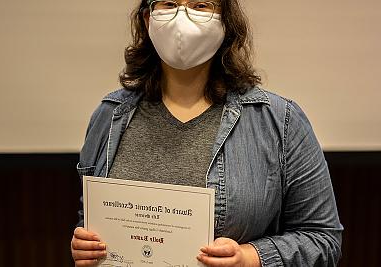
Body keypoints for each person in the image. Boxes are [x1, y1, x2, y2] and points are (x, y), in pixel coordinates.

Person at [71, 0, 343, 266]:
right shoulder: (110, 115)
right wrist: (86, 248)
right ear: (147, 18)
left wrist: (250, 257)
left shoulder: (279, 120)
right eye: (168, 3)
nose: (182, 16)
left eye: (200, 5)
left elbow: (323, 239)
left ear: (226, 21)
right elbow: (91, 222)